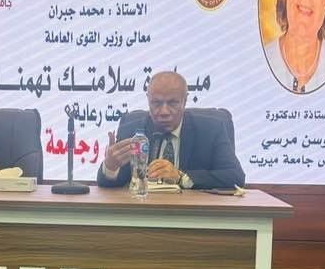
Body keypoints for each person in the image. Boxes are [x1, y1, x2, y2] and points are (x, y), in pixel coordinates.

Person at [96, 70, 245, 189]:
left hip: (193, 212)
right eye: (156, 103)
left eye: (172, 103)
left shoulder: (210, 129)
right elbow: (111, 183)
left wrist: (181, 177)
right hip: (143, 212)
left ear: (184, 101)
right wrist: (110, 167)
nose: (164, 111)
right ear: (148, 100)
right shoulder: (131, 128)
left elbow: (235, 177)